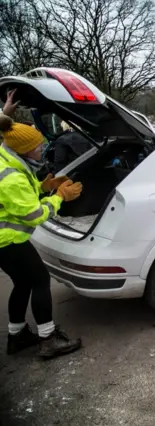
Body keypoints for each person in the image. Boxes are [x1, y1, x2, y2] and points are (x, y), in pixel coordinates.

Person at [0, 115, 84, 359]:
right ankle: (48, 340)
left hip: (5, 242)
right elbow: (34, 215)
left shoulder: (9, 161)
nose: (42, 150)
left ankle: (17, 336)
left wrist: (43, 187)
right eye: (37, 147)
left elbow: (21, 195)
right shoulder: (11, 177)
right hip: (9, 242)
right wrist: (59, 196)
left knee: (23, 283)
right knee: (39, 281)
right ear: (24, 150)